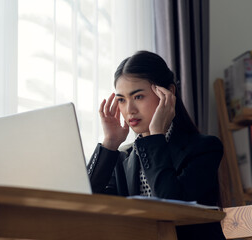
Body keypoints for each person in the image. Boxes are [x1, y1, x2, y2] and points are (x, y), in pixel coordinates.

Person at [87, 51, 225, 239]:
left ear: (168, 93)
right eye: (122, 100)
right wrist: (110, 143)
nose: (130, 110)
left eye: (138, 97)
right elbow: (85, 207)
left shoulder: (205, 148)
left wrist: (155, 135)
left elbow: (171, 206)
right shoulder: (122, 157)